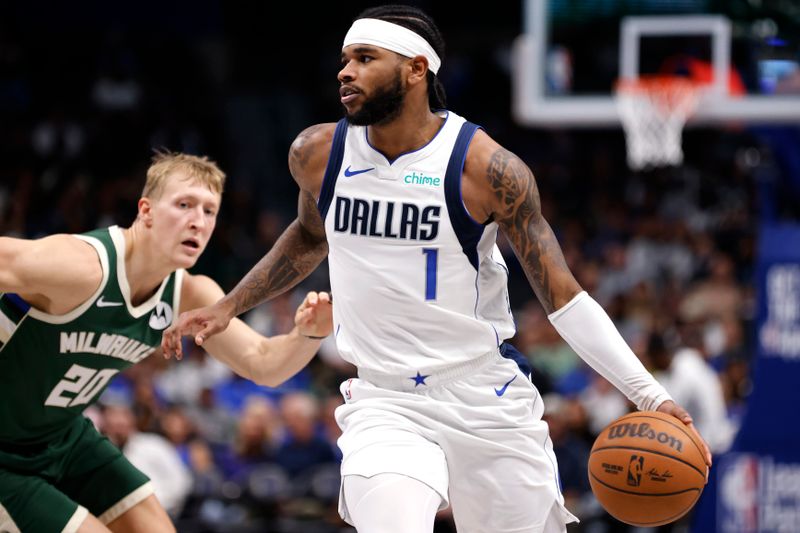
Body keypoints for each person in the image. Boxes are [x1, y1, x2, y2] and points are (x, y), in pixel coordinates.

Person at [162, 6, 712, 532]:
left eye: (364, 58)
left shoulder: (486, 169)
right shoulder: (318, 153)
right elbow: (310, 236)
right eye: (345, 58)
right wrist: (228, 305)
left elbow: (563, 297)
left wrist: (648, 395)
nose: (344, 71)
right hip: (386, 399)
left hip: (484, 395)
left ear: (415, 69)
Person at [0, 151, 332, 533]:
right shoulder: (81, 266)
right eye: (184, 205)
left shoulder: (189, 295)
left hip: (63, 437)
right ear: (146, 211)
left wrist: (309, 332)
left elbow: (265, 364)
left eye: (210, 211)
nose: (198, 221)